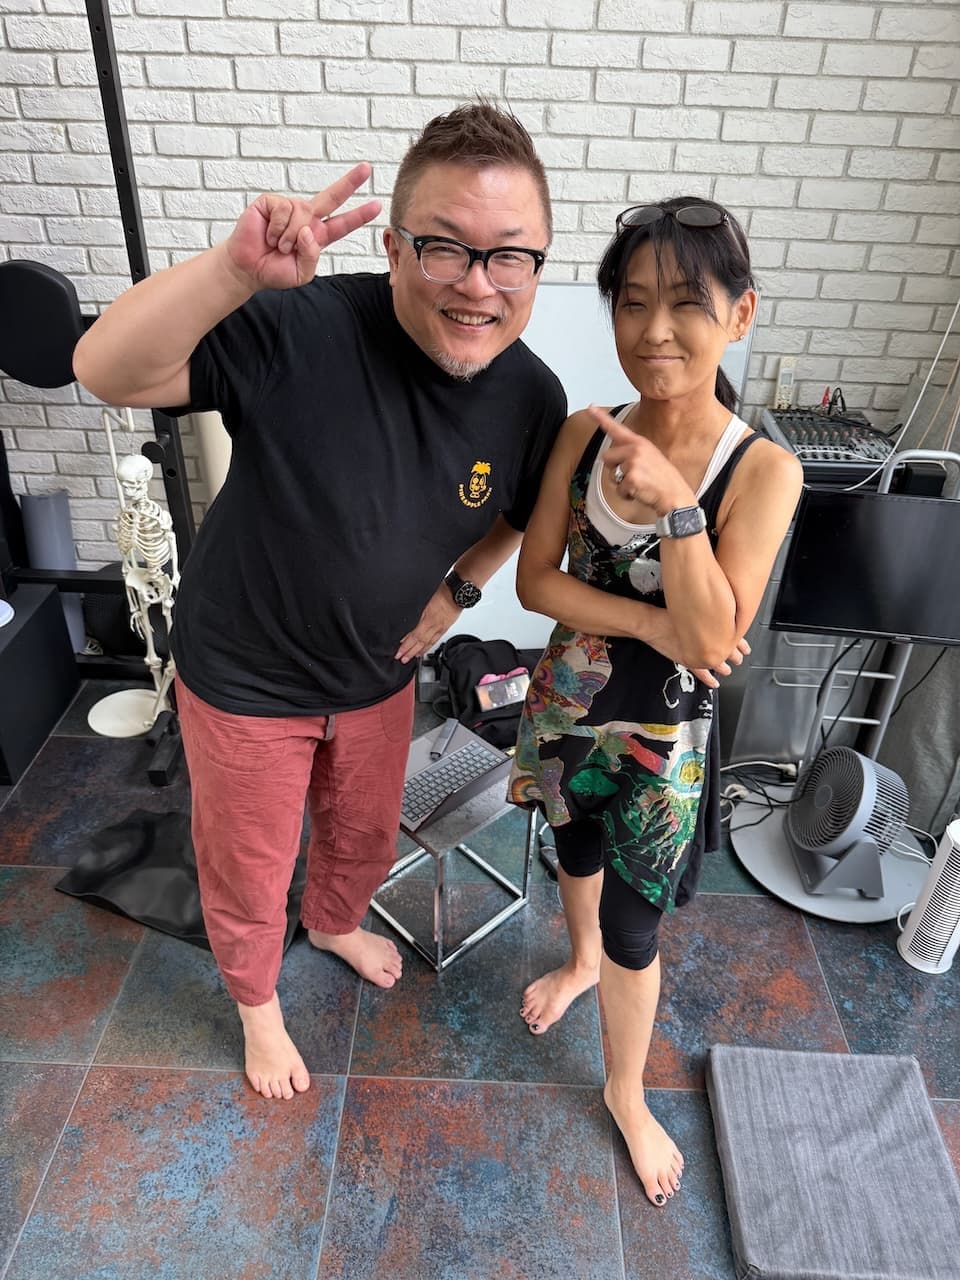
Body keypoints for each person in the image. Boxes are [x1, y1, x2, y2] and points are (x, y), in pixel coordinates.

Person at [73, 103, 566, 1101]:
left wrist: (457, 591)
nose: (478, 285)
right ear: (392, 246)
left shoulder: (532, 397)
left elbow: (518, 515)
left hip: (379, 672)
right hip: (247, 677)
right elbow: (103, 369)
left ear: (536, 264)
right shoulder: (300, 324)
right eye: (445, 248)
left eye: (510, 256)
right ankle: (257, 1003)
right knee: (251, 865)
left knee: (361, 836)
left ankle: (335, 922)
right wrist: (232, 274)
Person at [506, 197, 803, 1207]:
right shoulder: (583, 435)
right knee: (572, 850)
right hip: (567, 708)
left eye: (685, 303)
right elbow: (535, 583)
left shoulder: (761, 469)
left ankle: (625, 1092)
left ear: (740, 314)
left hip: (664, 745)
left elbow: (714, 638)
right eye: (632, 302)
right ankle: (576, 959)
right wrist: (651, 624)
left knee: (639, 929)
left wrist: (679, 504)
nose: (654, 328)